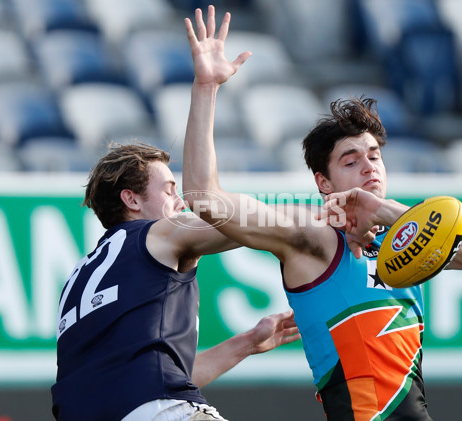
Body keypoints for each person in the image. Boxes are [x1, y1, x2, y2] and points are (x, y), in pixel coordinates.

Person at [182, 6, 462, 421]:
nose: (369, 166)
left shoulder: (404, 236)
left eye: (375, 156)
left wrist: (384, 210)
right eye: (350, 160)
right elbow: (205, 197)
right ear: (323, 182)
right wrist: (206, 87)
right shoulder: (311, 232)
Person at [50, 142, 301, 421]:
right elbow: (244, 224)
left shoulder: (76, 278)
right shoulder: (155, 235)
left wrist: (248, 342)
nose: (180, 201)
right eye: (169, 190)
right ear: (131, 200)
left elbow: (154, 376)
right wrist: (328, 216)